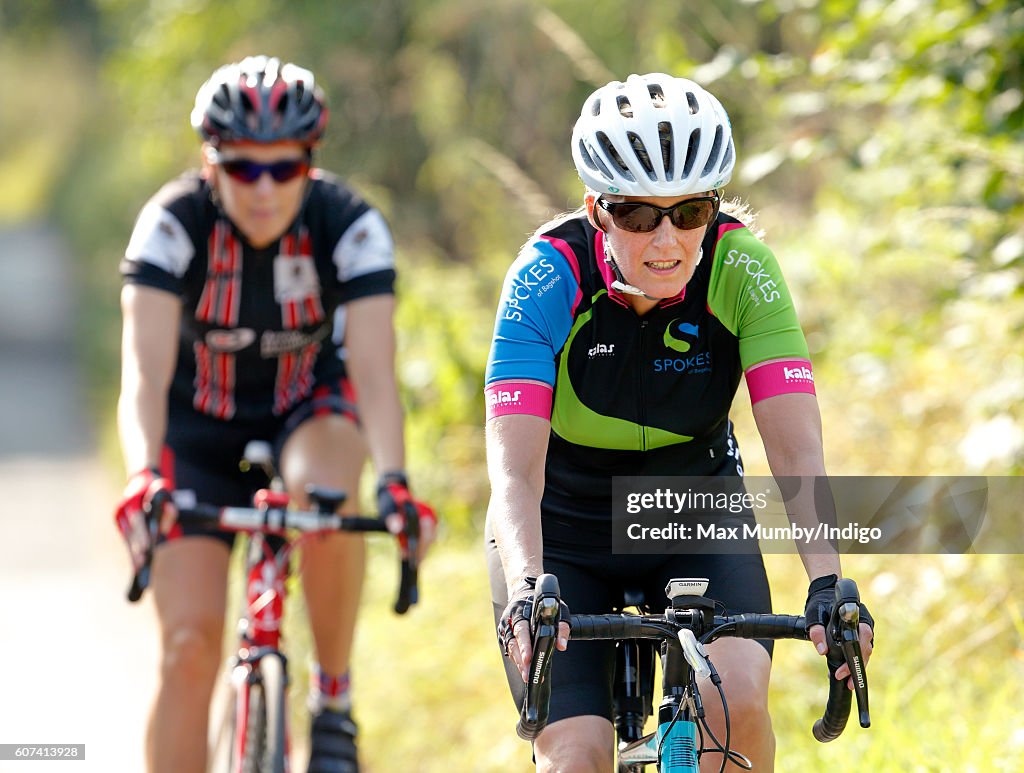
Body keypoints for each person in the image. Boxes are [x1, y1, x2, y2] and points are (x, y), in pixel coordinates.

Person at [484, 72, 874, 771]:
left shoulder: (742, 268)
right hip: (562, 523)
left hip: (690, 506)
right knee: (575, 756)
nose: (666, 239)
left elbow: (796, 446)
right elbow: (515, 472)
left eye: (690, 211)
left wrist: (826, 582)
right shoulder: (546, 277)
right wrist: (524, 590)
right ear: (597, 210)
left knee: (736, 707)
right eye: (637, 215)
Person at [113, 55, 436, 773]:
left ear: (309, 162)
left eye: (284, 169)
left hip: (305, 409)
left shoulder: (348, 224)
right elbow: (143, 372)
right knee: (188, 647)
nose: (263, 189)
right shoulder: (171, 225)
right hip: (194, 426)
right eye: (242, 168)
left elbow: (375, 374)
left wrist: (395, 480)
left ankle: (332, 696)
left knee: (324, 494)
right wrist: (141, 473)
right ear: (210, 160)